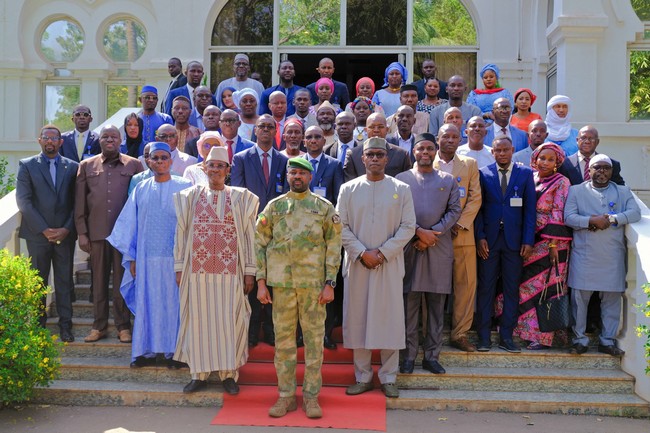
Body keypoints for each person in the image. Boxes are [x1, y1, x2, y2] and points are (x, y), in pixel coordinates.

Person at [256, 157, 342, 419]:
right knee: (283, 343)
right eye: (293, 172)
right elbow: (259, 244)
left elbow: (334, 247)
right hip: (282, 285)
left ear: (310, 177)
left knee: (314, 343)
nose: (297, 177)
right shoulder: (274, 207)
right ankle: (285, 396)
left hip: (313, 288)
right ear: (288, 176)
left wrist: (330, 283)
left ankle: (311, 396)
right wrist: (261, 282)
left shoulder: (324, 208)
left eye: (302, 173)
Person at [172, 146, 258, 395]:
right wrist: (179, 267)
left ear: (228, 170)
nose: (215, 170)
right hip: (196, 274)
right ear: (204, 168)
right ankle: (198, 374)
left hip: (231, 274)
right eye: (211, 165)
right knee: (197, 323)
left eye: (221, 166)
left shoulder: (243, 198)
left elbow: (249, 236)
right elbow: (180, 234)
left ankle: (228, 375)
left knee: (230, 322)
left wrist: (249, 270)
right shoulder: (189, 197)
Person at [338, 137, 416, 398]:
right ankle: (362, 377)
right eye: (369, 154)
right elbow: (341, 227)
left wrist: (382, 253)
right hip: (358, 264)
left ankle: (389, 377)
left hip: (388, 265)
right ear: (363, 159)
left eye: (379, 155)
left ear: (386, 159)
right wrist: (362, 253)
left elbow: (408, 227)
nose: (374, 159)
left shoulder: (401, 189)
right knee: (359, 319)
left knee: (389, 319)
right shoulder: (348, 189)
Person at [107, 142, 192, 367]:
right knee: (148, 304)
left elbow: (193, 224)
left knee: (174, 306)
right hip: (145, 260)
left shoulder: (185, 187)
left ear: (171, 161)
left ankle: (176, 353)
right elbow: (130, 225)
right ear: (149, 161)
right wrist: (132, 258)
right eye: (156, 158)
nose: (161, 162)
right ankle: (146, 352)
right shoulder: (141, 189)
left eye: (165, 158)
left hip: (176, 261)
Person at [396, 132, 461, 375]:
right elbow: (396, 213)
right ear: (414, 151)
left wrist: (432, 234)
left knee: (436, 307)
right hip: (409, 247)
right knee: (409, 306)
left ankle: (432, 356)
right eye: (421, 149)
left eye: (429, 149)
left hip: (438, 247)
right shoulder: (401, 180)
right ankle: (408, 356)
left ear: (435, 152)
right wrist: (417, 232)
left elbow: (455, 210)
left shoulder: (448, 179)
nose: (425, 153)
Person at [564, 154, 640, 356]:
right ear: (589, 170)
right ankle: (579, 339)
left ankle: (607, 340)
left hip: (612, 256)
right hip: (585, 255)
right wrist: (591, 220)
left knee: (612, 300)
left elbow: (635, 213)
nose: (602, 171)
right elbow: (569, 217)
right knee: (579, 300)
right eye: (597, 167)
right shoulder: (576, 190)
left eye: (606, 168)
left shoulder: (622, 191)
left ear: (612, 171)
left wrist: (613, 218)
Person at [75, 125, 143, 343]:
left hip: (124, 237)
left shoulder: (134, 164)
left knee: (122, 282)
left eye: (114, 136)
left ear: (120, 139)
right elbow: (80, 203)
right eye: (105, 136)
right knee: (99, 282)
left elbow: (140, 202)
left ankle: (123, 326)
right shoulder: (86, 165)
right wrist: (82, 233)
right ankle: (98, 326)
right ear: (100, 140)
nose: (109, 139)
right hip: (97, 235)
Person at [231, 115, 290, 347]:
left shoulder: (284, 160)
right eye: (261, 126)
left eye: (270, 127)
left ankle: (271, 329)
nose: (265, 130)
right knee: (253, 280)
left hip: (277, 231)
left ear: (275, 131)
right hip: (249, 229)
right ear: (254, 131)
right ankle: (253, 330)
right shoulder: (241, 158)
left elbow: (286, 195)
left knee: (274, 280)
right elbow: (237, 194)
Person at [16, 124, 79, 340]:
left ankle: (65, 326)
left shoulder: (72, 167)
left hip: (65, 235)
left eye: (54, 138)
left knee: (63, 282)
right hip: (37, 236)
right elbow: (24, 202)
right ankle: (37, 326)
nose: (50, 141)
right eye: (46, 137)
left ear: (61, 142)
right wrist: (44, 229)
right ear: (39, 140)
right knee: (38, 283)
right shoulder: (27, 165)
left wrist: (66, 229)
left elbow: (77, 203)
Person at [475, 136, 536, 353]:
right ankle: (483, 337)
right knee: (486, 289)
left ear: (512, 150)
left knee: (511, 290)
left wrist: (528, 240)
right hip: (488, 242)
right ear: (492, 152)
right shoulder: (483, 173)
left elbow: (530, 210)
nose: (502, 154)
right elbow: (478, 210)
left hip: (515, 242)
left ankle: (506, 337)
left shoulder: (526, 173)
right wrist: (480, 236)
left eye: (505, 150)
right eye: (498, 150)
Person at [511, 143, 572, 350]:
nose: (545, 162)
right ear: (535, 159)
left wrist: (554, 243)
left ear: (557, 163)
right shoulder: (531, 178)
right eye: (541, 158)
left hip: (552, 245)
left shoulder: (562, 182)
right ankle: (524, 331)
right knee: (526, 287)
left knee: (546, 288)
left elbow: (558, 211)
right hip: (530, 241)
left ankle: (544, 337)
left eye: (550, 159)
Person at [432, 125, 482, 352]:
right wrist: (440, 226)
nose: (450, 140)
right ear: (438, 138)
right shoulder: (425, 160)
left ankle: (459, 333)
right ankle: (430, 334)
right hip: (434, 236)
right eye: (446, 136)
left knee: (466, 285)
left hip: (462, 234)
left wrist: (459, 223)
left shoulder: (469, 164)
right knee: (432, 285)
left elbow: (475, 198)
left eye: (454, 136)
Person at [343, 114, 412, 182]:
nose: (376, 130)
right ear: (366, 130)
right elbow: (350, 185)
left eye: (380, 127)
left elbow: (406, 182)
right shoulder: (353, 155)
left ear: (387, 129)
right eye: (372, 127)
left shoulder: (401, 154)